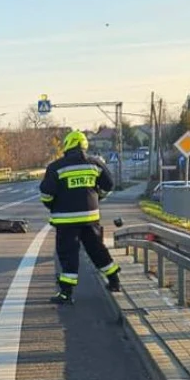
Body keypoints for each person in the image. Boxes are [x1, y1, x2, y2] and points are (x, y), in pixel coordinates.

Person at [39, 130, 121, 304]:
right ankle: (114, 280)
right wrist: (98, 198)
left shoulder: (56, 167)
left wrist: (52, 206)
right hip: (90, 218)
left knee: (68, 254)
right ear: (84, 145)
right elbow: (109, 185)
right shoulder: (95, 164)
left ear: (67, 145)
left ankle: (66, 293)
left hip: (66, 221)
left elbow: (46, 193)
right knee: (97, 249)